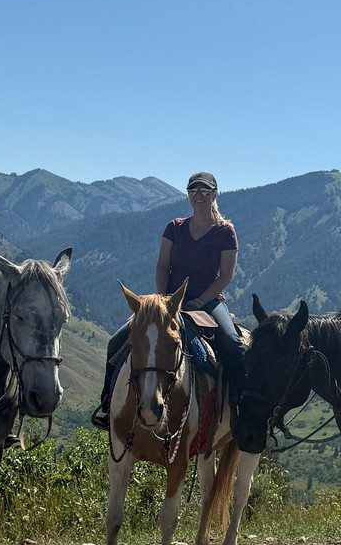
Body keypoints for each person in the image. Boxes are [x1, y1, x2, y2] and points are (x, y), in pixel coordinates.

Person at [92, 171, 245, 429]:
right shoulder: (175, 228)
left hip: (207, 301)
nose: (198, 195)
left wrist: (199, 301)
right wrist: (163, 300)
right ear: (188, 195)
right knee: (117, 341)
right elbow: (163, 266)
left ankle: (241, 409)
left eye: (205, 191)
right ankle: (107, 406)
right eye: (193, 190)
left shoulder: (225, 232)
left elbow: (226, 275)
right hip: (168, 301)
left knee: (232, 344)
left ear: (214, 195)